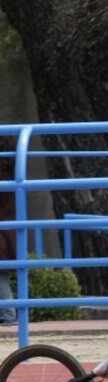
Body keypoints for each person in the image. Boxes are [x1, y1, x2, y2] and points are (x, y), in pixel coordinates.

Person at [0, 136, 16, 325]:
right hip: (6, 233)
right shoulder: (11, 174)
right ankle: (8, 314)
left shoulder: (4, 179)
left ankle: (8, 315)